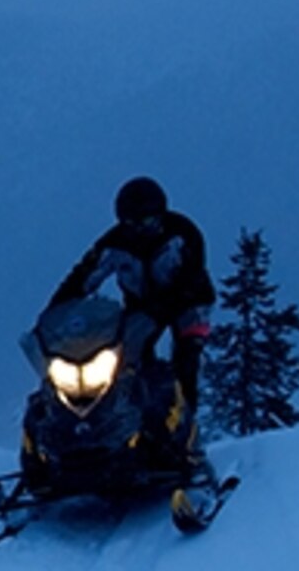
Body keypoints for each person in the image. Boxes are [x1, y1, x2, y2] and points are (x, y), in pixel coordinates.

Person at [51, 175, 216, 421]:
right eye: (131, 223)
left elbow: (193, 275)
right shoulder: (113, 244)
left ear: (160, 215)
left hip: (189, 302)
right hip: (142, 305)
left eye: (146, 221)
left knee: (187, 355)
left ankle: (186, 422)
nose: (139, 229)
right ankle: (136, 420)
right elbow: (82, 276)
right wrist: (55, 310)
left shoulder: (183, 233)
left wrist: (167, 303)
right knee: (126, 357)